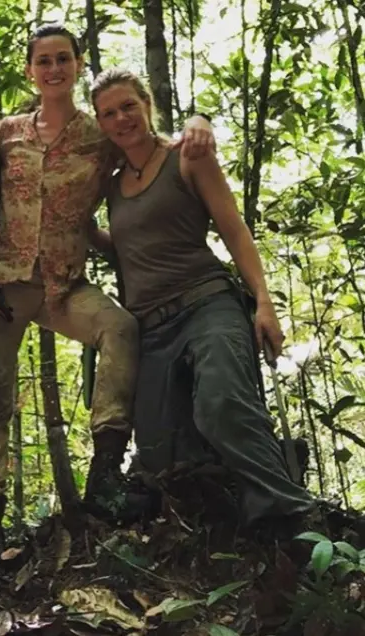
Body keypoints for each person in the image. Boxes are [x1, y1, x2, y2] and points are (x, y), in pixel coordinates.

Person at [0, 24, 215, 556]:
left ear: (78, 65)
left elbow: (153, 144)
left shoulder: (100, 136)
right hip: (3, 287)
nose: (53, 69)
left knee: (120, 328)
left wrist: (198, 122)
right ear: (30, 71)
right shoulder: (6, 134)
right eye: (43, 61)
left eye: (63, 59)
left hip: (64, 285)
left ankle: (104, 474)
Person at [89, 67, 317, 530]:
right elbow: (132, 248)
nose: (121, 119)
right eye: (108, 113)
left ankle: (288, 516)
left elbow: (232, 227)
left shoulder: (186, 156)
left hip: (207, 304)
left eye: (128, 106)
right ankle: (221, 519)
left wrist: (264, 302)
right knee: (157, 450)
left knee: (221, 403)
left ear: (147, 105)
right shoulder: (111, 185)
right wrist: (84, 232)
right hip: (151, 327)